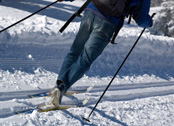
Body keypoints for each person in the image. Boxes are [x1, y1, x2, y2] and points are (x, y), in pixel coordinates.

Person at [51, 0, 153, 106]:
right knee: (85, 59)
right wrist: (150, 22)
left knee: (74, 52)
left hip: (90, 12)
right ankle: (61, 88)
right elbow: (142, 20)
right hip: (107, 23)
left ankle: (59, 85)